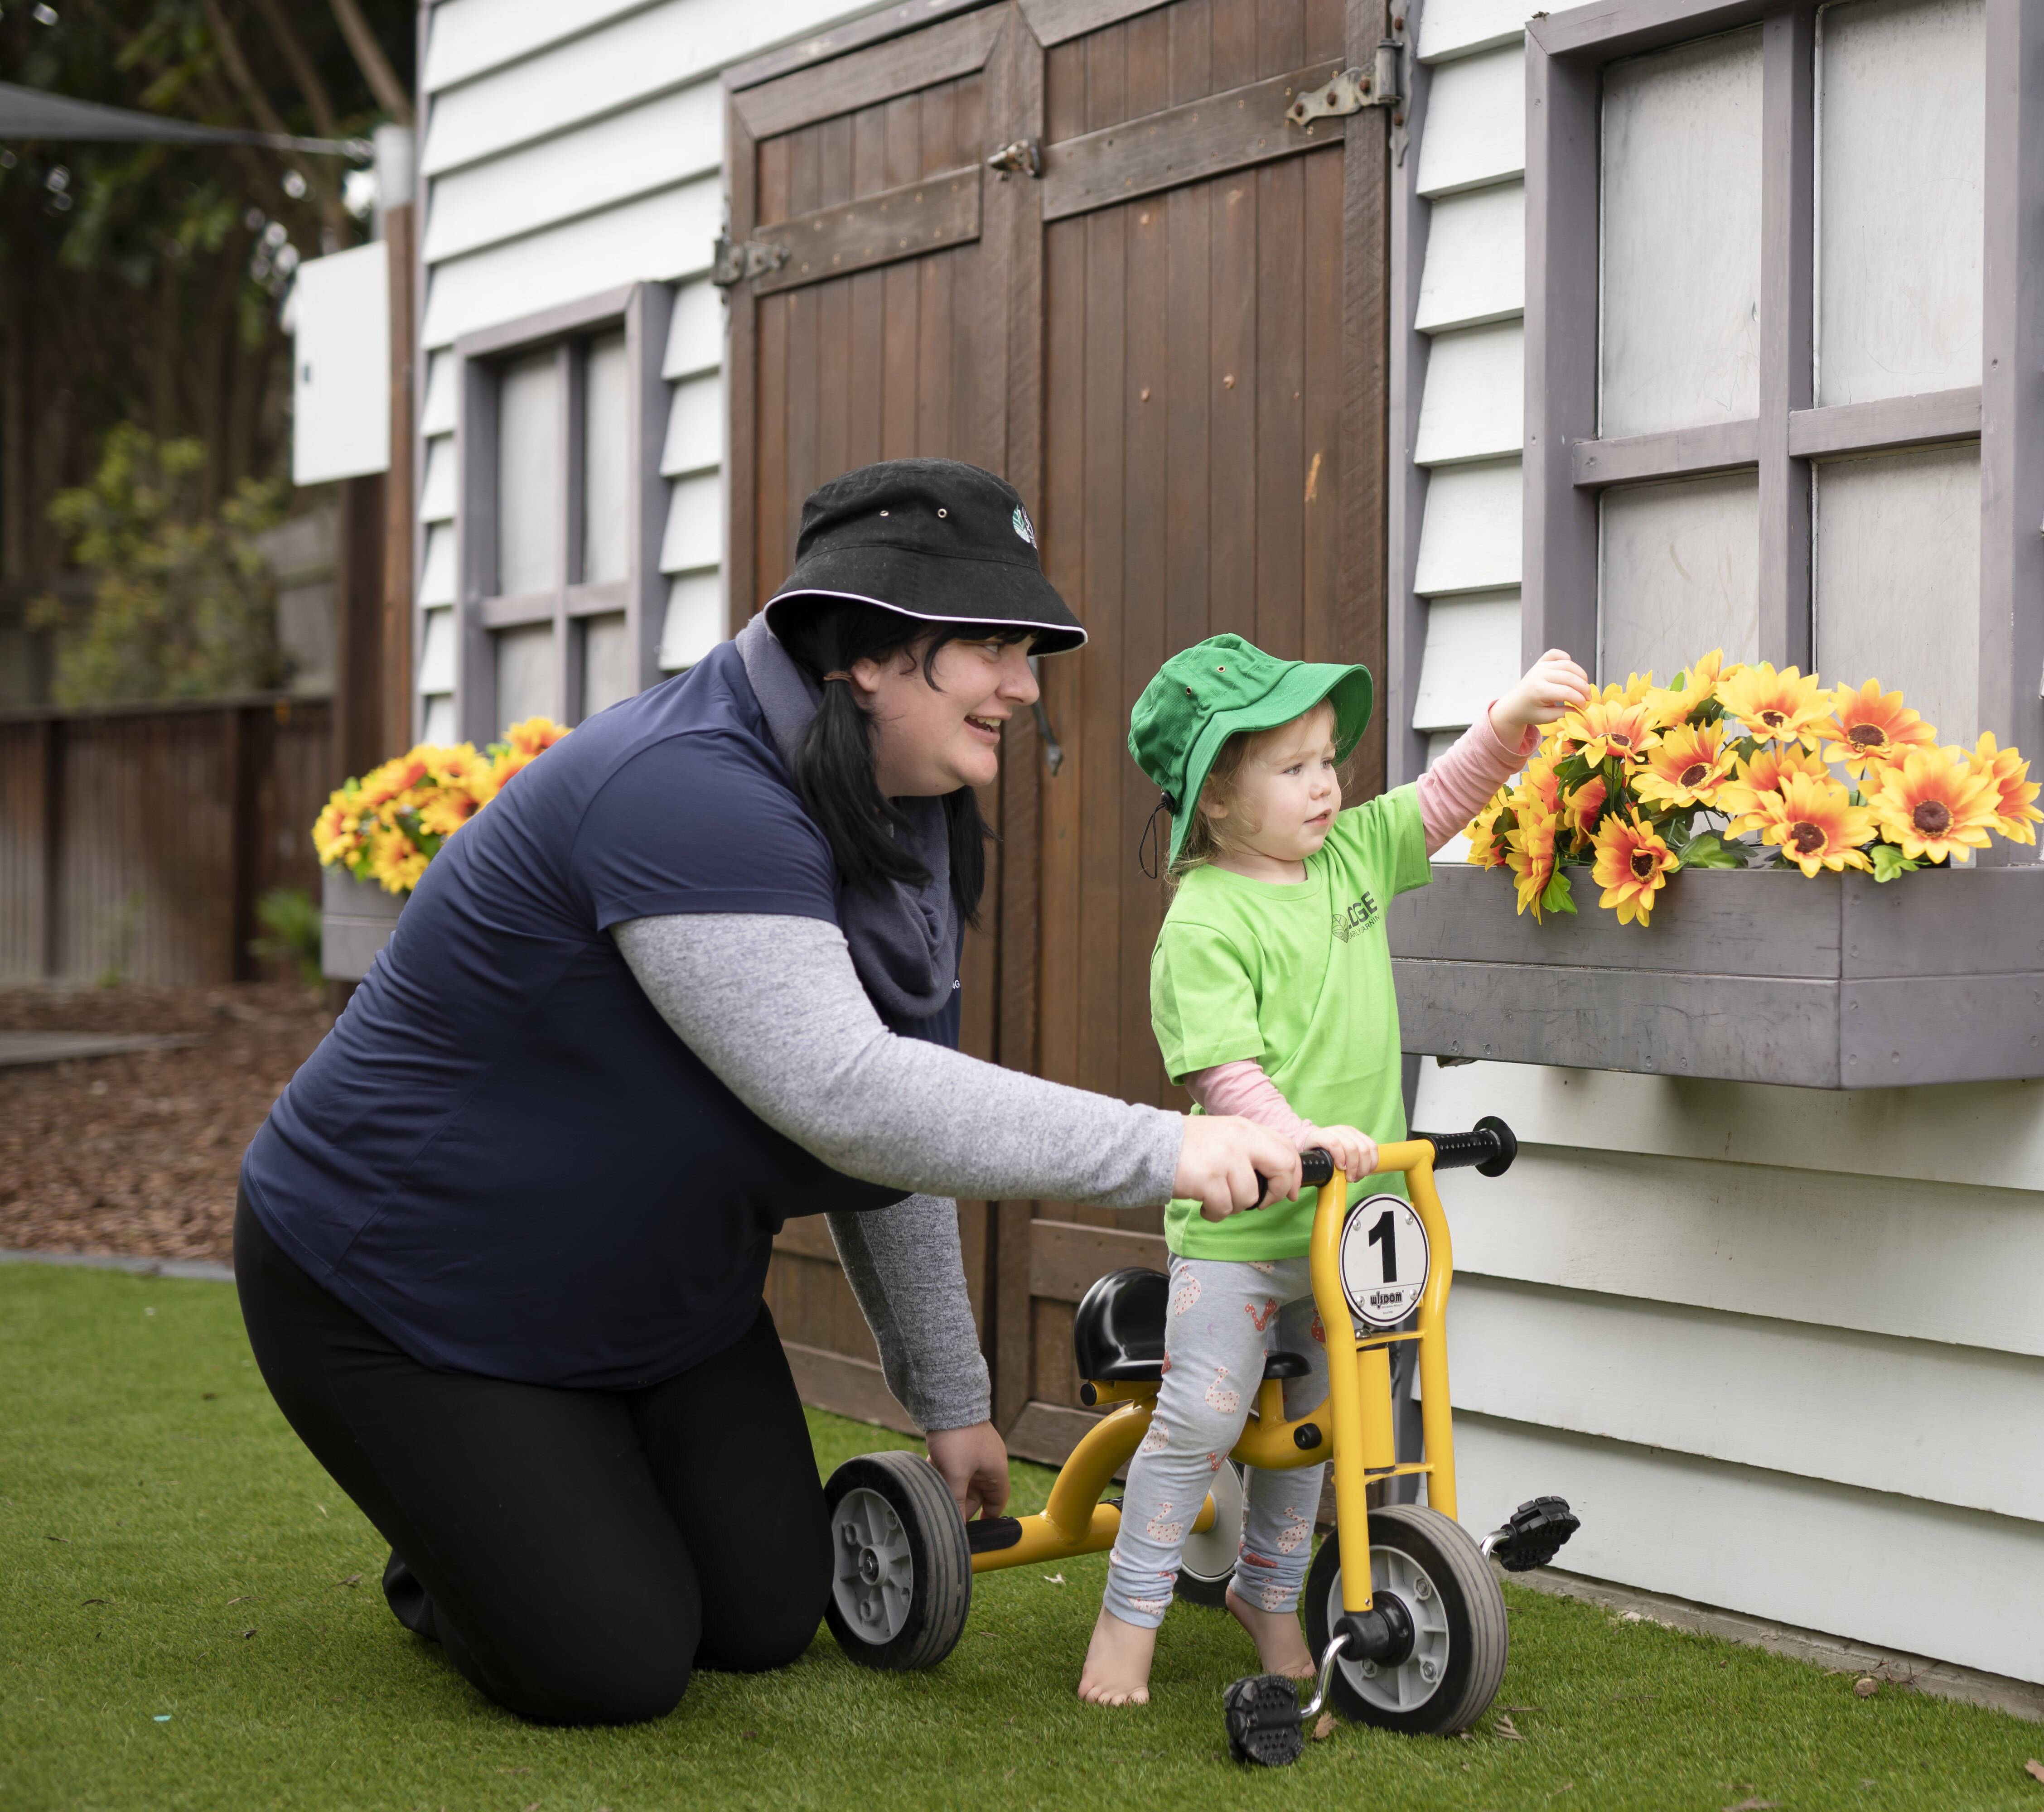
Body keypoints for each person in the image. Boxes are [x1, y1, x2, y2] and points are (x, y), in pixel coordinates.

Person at [234, 460, 1300, 1726]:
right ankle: (461, 1546)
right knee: (613, 1665)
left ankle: (548, 1499)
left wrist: (949, 1399)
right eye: (992, 648)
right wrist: (1171, 1145)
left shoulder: (907, 803)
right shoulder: (690, 787)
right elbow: (846, 1094)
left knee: (761, 1617)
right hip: (409, 1289)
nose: (1025, 685)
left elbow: (894, 1120)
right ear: (865, 652)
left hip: (645, 1294)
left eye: (1028, 651)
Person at [1077, 631, 1591, 1705]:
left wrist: (1510, 720)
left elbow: (1442, 798)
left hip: (1354, 1223)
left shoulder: (1351, 856)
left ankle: (1270, 1592)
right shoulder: (1204, 920)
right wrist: (1303, 1137)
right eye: (1294, 766)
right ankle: (1130, 1616)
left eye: (1329, 761)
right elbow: (1227, 1076)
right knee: (1208, 1419)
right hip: (1246, 1236)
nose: (1326, 785)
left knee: (1320, 1427)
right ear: (1215, 800)